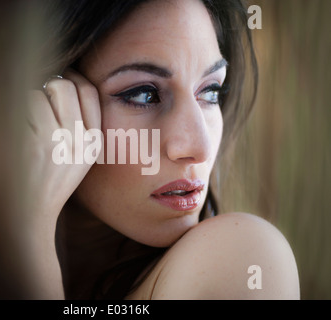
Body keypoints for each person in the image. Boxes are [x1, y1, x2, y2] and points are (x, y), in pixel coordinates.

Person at [27, 0, 300, 299]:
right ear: (45, 102)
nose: (200, 148)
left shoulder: (243, 258)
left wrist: (28, 232)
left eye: (210, 91)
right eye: (144, 94)